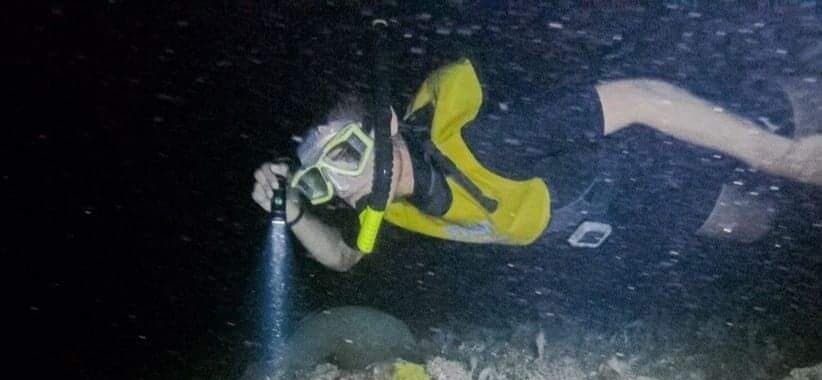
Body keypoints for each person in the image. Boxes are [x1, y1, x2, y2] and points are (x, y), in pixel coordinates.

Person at [252, 59, 822, 272]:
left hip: (642, 159)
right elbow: (347, 257)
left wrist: (780, 156)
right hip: (619, 212)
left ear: (388, 124)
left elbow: (641, 98)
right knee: (756, 225)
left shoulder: (486, 140)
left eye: (345, 156)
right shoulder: (388, 207)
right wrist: (297, 211)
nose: (349, 189)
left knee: (785, 111)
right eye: (324, 184)